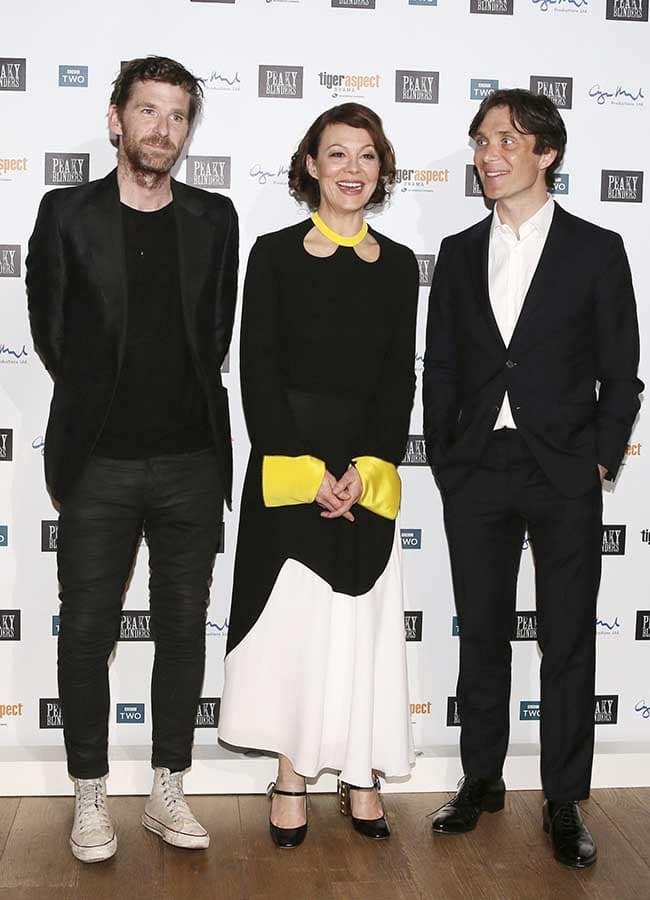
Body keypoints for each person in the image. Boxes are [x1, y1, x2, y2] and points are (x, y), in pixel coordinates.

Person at [25, 56, 238, 863]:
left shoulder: (215, 219)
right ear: (117, 119)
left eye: (177, 115)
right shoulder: (66, 214)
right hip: (100, 463)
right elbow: (51, 331)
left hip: (191, 461)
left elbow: (214, 334)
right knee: (87, 632)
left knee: (184, 632)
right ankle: (89, 795)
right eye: (147, 111)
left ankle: (166, 789)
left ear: (188, 129)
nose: (162, 129)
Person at [423, 88, 642, 868]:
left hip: (563, 469)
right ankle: (480, 777)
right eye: (482, 140)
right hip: (478, 465)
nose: (488, 155)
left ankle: (563, 800)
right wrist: (448, 457)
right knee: (480, 631)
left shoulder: (597, 248)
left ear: (546, 153)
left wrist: (598, 456)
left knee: (568, 640)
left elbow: (623, 372)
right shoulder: (455, 251)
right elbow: (441, 365)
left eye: (506, 141)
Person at [218, 103, 418, 848]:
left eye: (367, 156)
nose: (352, 170)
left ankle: (361, 774)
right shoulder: (271, 253)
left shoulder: (399, 265)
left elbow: (400, 380)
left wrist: (363, 473)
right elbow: (258, 375)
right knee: (296, 632)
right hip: (289, 467)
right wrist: (310, 472)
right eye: (337, 155)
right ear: (311, 166)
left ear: (381, 169)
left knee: (359, 627)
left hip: (367, 474)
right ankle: (292, 778)